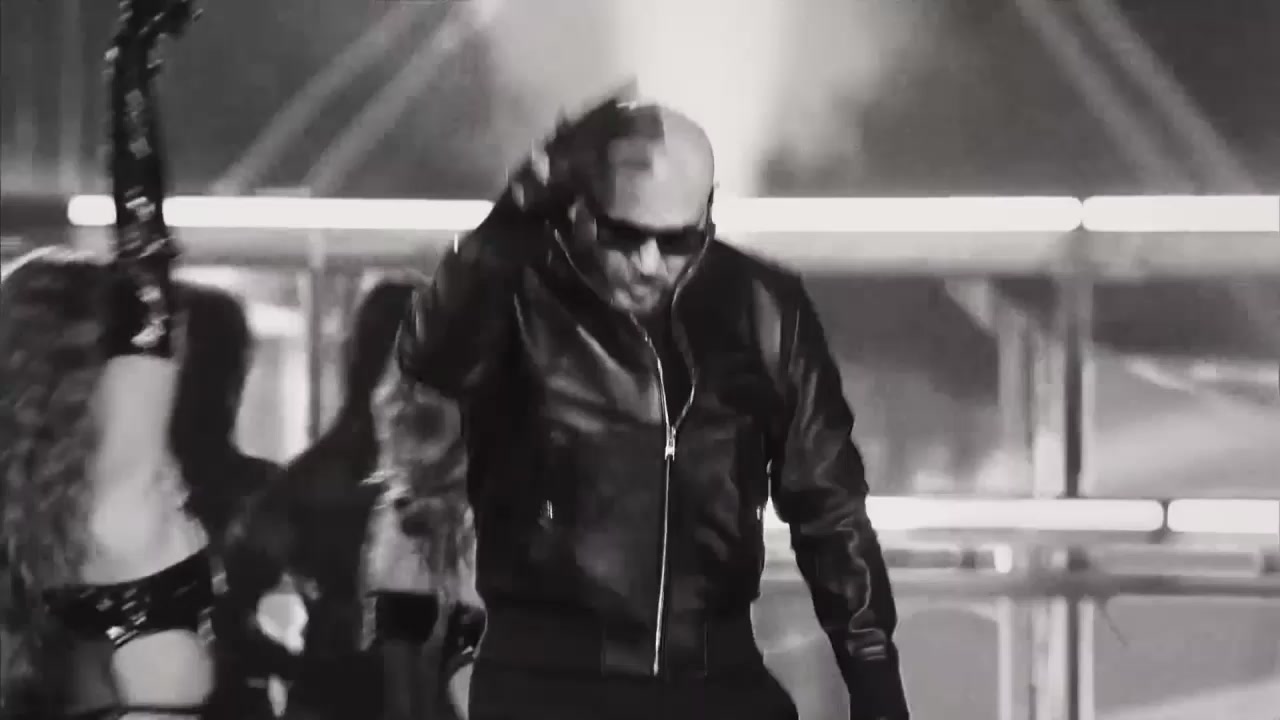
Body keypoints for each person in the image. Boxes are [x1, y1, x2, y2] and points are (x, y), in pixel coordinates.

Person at [395, 92, 911, 720]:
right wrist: (512, 214)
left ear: (709, 216)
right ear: (581, 209)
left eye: (675, 241)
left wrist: (873, 673)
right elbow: (428, 352)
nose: (646, 263)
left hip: (715, 676)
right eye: (623, 234)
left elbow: (828, 504)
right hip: (545, 682)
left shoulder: (764, 308)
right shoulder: (518, 293)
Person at [232, 277, 480, 719]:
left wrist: (294, 667)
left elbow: (232, 601)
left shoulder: (310, 479)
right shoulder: (462, 484)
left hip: (328, 698)